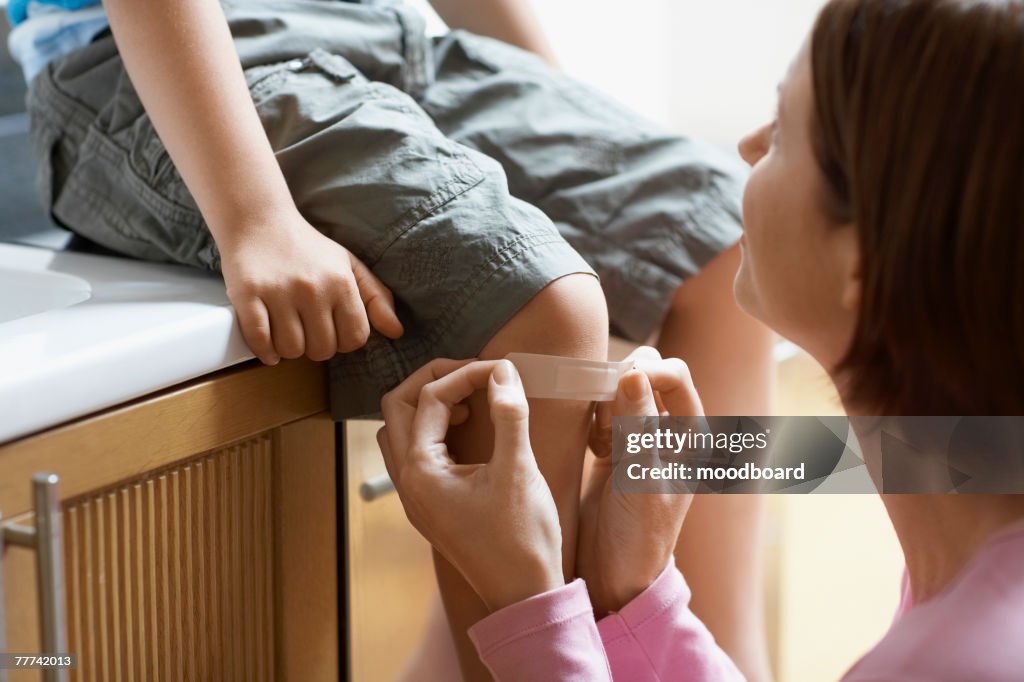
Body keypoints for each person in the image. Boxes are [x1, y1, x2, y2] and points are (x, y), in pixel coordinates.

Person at [8, 0, 774, 678]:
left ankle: (723, 665)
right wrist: (255, 218)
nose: (761, 142)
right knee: (545, 306)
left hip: (395, 36)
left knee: (735, 247)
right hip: (180, 63)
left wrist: (563, 128)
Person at [377, 0, 1024, 678]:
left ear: (867, 259)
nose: (748, 145)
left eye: (783, 133)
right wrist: (637, 595)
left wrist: (526, 603)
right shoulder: (978, 517)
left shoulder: (965, 661)